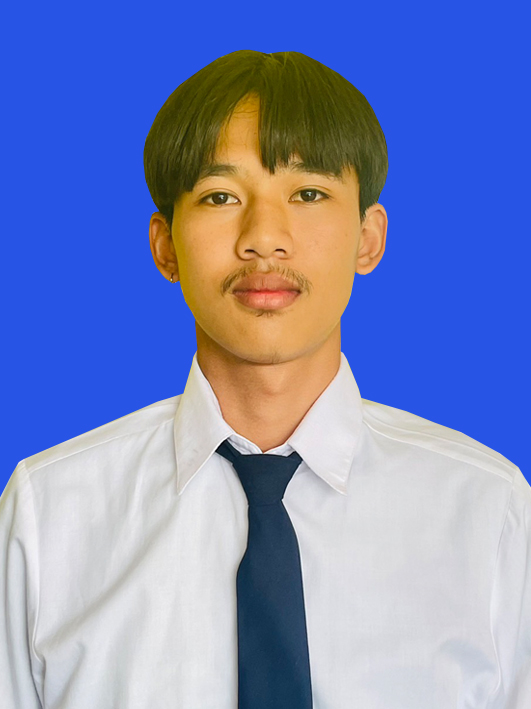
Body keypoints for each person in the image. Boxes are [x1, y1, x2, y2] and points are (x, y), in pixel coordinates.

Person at [1, 50, 529, 708]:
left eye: (308, 194)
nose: (264, 238)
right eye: (220, 197)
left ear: (368, 237)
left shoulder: (487, 510)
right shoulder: (50, 515)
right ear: (165, 245)